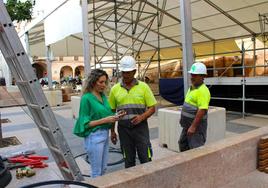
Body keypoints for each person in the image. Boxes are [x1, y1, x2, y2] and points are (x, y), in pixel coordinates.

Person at [73, 69, 125, 178]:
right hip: (94, 137)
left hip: (105, 135)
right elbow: (84, 124)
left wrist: (117, 115)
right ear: (93, 82)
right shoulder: (86, 98)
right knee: (96, 172)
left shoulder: (103, 97)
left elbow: (106, 113)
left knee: (103, 169)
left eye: (105, 82)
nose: (104, 85)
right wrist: (105, 120)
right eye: (100, 82)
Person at [109, 56, 157, 168]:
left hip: (141, 129)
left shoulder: (144, 87)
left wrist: (141, 117)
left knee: (145, 158)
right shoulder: (114, 89)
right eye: (123, 72)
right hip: (124, 130)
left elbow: (152, 108)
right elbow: (112, 112)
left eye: (128, 72)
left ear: (134, 71)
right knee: (128, 160)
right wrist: (112, 131)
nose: (125, 75)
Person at [178, 62, 211, 152]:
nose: (192, 77)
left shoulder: (203, 91)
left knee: (196, 149)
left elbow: (202, 110)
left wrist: (193, 127)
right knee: (183, 144)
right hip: (187, 125)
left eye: (195, 75)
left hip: (196, 128)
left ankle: (197, 166)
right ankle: (187, 164)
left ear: (202, 76)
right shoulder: (192, 88)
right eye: (192, 74)